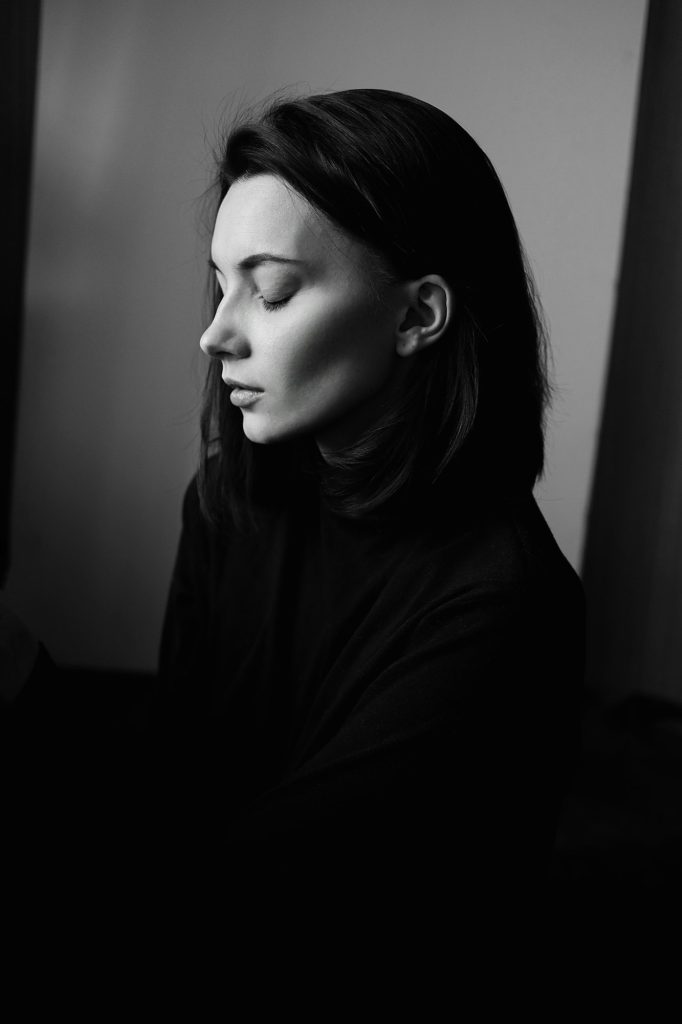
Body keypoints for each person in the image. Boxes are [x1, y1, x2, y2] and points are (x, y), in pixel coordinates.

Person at [4, 88, 584, 948]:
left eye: (271, 293)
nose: (216, 334)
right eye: (221, 284)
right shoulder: (227, 504)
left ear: (418, 314)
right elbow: (174, 797)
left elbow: (256, 901)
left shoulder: (503, 605)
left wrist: (22, 685)